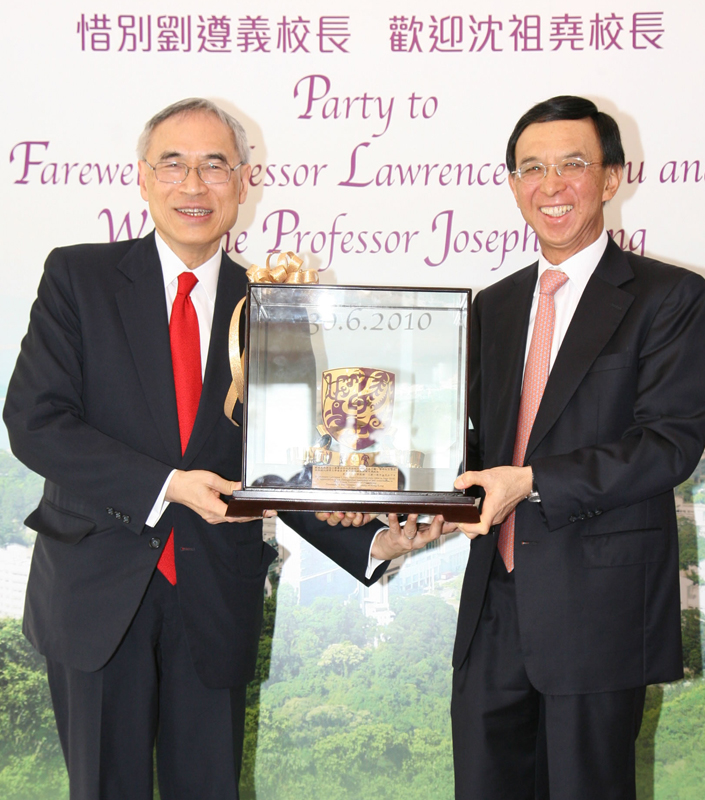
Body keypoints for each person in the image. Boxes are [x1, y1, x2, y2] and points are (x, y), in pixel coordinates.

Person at [3, 98, 433, 799]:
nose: (194, 185)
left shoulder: (273, 303)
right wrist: (169, 484)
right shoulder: (79, 279)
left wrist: (372, 544)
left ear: (243, 182)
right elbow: (34, 420)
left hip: (214, 597)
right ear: (142, 179)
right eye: (173, 164)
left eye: (215, 166)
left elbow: (288, 460)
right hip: (97, 594)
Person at [437, 96, 705, 800]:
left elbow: (668, 445)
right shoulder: (490, 307)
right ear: (511, 183)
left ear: (613, 176)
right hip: (493, 605)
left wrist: (528, 481)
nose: (550, 185)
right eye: (531, 168)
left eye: (572, 164)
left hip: (598, 604)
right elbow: (461, 440)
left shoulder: (670, 297)